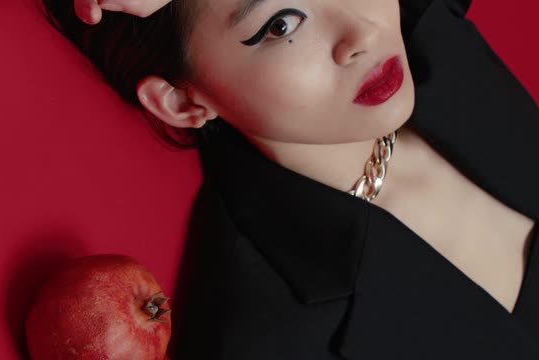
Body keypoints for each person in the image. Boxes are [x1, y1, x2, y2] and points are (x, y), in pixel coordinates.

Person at [44, 0, 539, 358]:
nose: (360, 33)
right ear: (183, 101)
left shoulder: (425, 28)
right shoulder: (268, 336)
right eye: (281, 24)